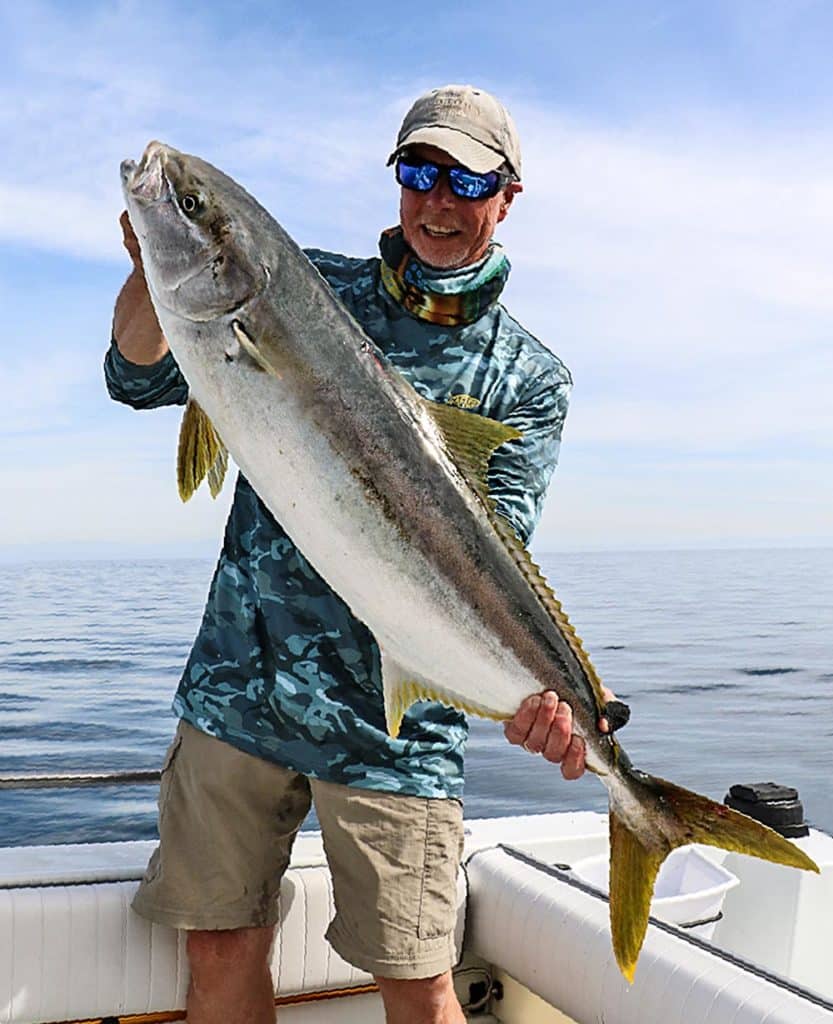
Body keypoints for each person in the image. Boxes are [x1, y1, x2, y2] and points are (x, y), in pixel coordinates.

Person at [106, 84, 616, 1024]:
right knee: (218, 949)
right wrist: (156, 259)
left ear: (506, 197)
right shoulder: (306, 288)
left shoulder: (528, 379)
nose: (438, 201)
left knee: (417, 978)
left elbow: (493, 551)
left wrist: (548, 698)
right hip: (239, 689)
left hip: (399, 723)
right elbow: (135, 377)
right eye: (418, 172)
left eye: (466, 179)